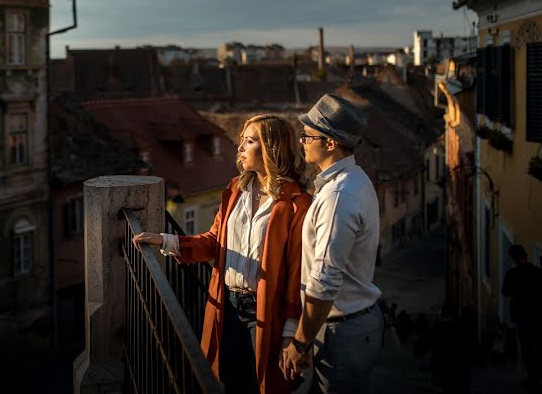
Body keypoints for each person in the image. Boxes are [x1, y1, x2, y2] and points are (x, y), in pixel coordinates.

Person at [133, 114, 312, 393]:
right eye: (241, 140)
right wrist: (165, 240)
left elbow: (296, 272)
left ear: (272, 148)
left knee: (263, 384)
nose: (239, 147)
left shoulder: (297, 204)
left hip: (266, 310)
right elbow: (215, 241)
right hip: (226, 304)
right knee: (228, 381)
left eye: (249, 141)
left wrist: (292, 333)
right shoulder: (234, 189)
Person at [282, 94, 383, 394]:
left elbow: (324, 283)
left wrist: (300, 341)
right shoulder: (355, 179)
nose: (302, 141)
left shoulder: (338, 197)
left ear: (329, 143)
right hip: (349, 324)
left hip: (341, 330)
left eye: (308, 135)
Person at [501, 244, 542, 385]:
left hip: (522, 316)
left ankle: (532, 377)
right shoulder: (539, 272)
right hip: (540, 315)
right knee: (541, 345)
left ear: (514, 258)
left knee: (527, 347)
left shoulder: (511, 274)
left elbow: (505, 292)